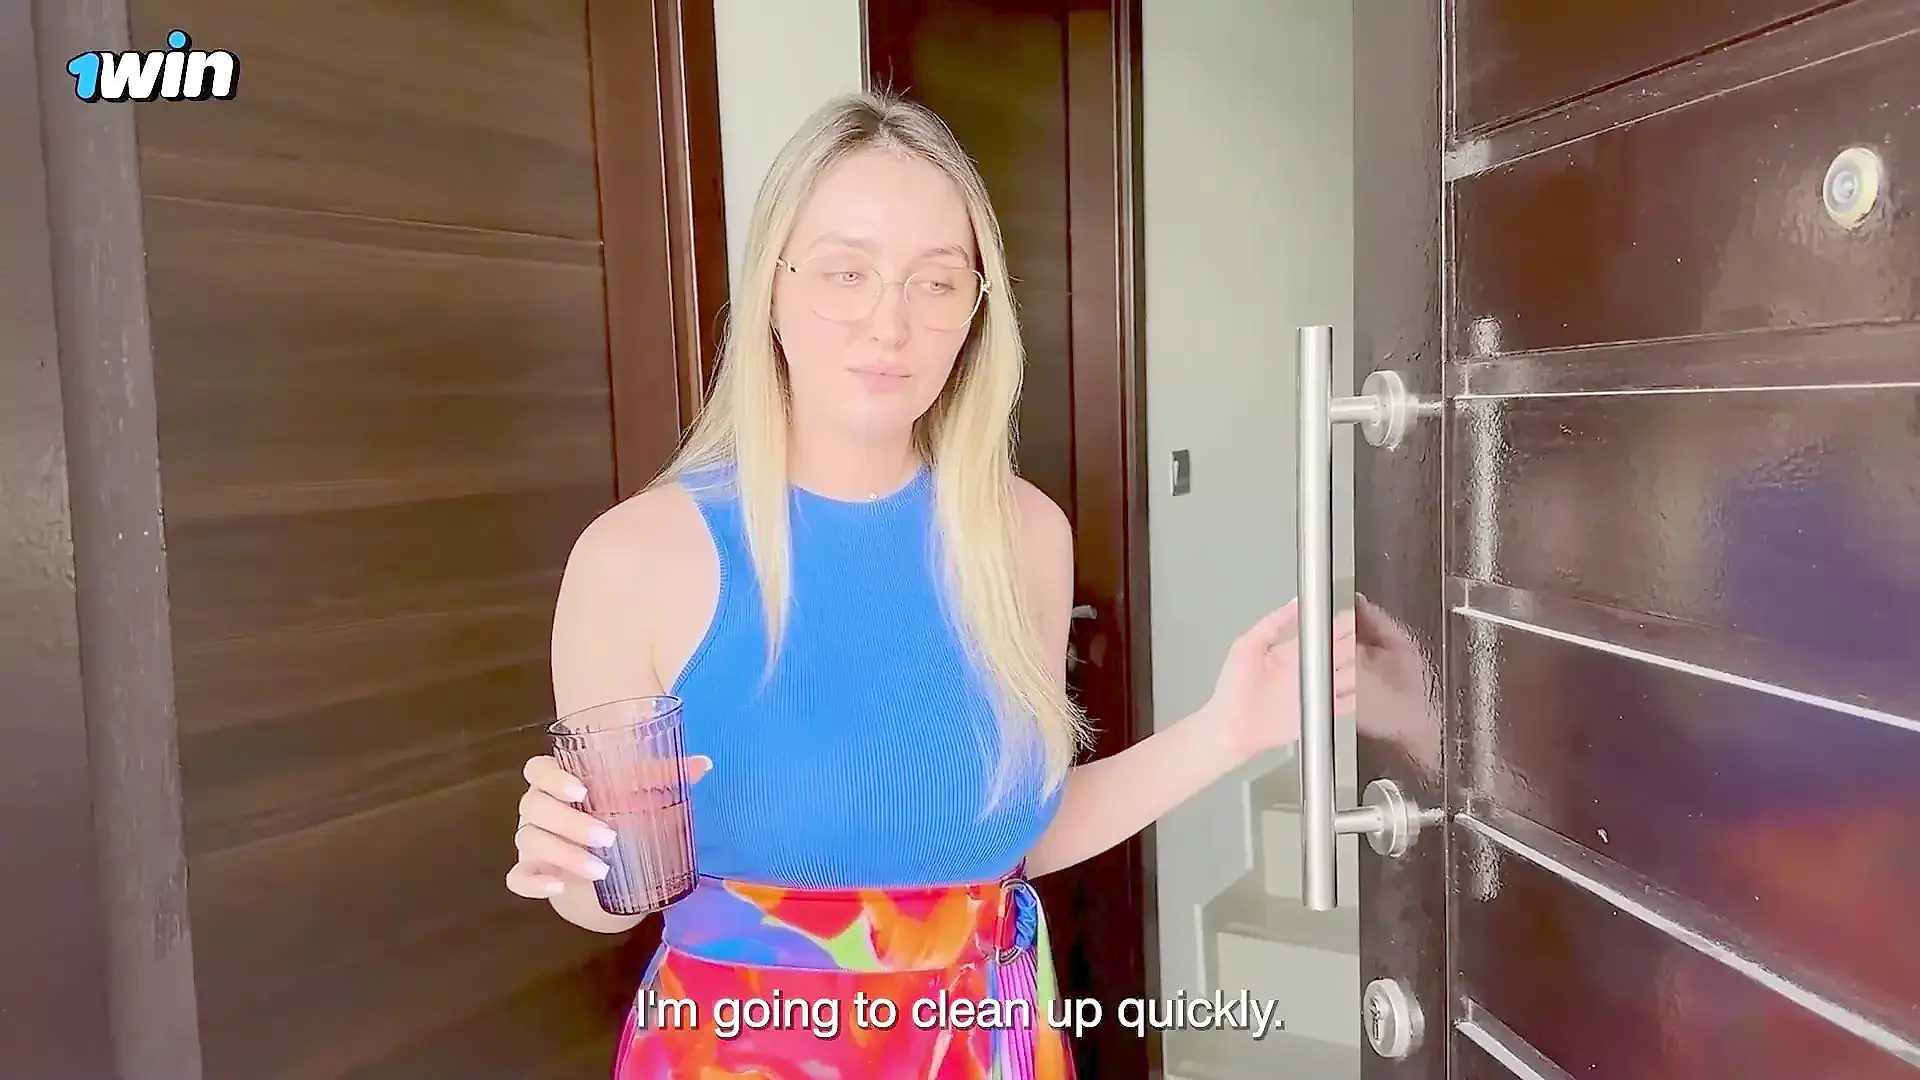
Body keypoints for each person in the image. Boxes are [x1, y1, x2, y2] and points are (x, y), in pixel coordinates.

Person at [504, 90, 1360, 1079]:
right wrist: (570, 861)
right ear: (772, 287)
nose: (891, 323)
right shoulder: (635, 559)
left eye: (937, 282)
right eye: (846, 273)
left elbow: (1001, 841)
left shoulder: (1023, 536)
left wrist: (1228, 731)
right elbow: (612, 891)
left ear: (974, 313)